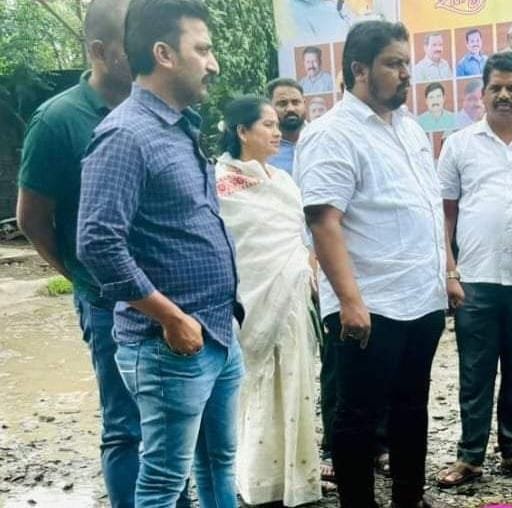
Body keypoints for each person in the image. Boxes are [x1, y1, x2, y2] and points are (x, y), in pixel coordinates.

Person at [15, 2, 191, 507]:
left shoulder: (165, 109)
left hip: (173, 296)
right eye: (131, 43)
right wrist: (82, 277)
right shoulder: (59, 120)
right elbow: (32, 219)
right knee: (127, 426)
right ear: (99, 50)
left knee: (176, 417)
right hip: (109, 300)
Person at [76, 0, 244, 506]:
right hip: (169, 344)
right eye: (203, 49)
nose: (214, 63)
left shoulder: (179, 125)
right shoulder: (126, 135)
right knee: (163, 483)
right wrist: (171, 318)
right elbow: (97, 242)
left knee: (218, 463)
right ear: (164, 54)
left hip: (216, 331)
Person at [294, 20, 449, 508]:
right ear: (359, 70)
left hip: (421, 296)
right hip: (370, 303)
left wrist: (448, 274)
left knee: (411, 405)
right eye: (394, 64)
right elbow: (324, 222)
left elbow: (428, 206)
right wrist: (350, 301)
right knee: (358, 415)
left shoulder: (409, 128)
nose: (406, 74)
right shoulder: (331, 134)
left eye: (407, 63)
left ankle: (408, 497)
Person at [434, 51, 512, 488]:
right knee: (475, 370)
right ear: (482, 94)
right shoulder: (460, 144)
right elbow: (445, 214)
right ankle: (469, 456)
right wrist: (449, 270)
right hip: (476, 278)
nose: (504, 95)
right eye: (495, 88)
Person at [214, 96, 321, 507]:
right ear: (242, 131)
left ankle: (296, 477)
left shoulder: (284, 181)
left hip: (291, 297)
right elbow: (230, 244)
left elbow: (297, 236)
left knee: (294, 380)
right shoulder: (220, 182)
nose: (277, 132)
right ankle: (257, 479)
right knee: (255, 383)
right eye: (268, 125)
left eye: (278, 125)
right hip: (249, 296)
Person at [267, 78, 308, 174]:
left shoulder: (319, 138)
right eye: (282, 104)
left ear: (304, 103)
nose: (290, 109)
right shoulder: (262, 150)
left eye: (295, 102)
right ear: (269, 107)